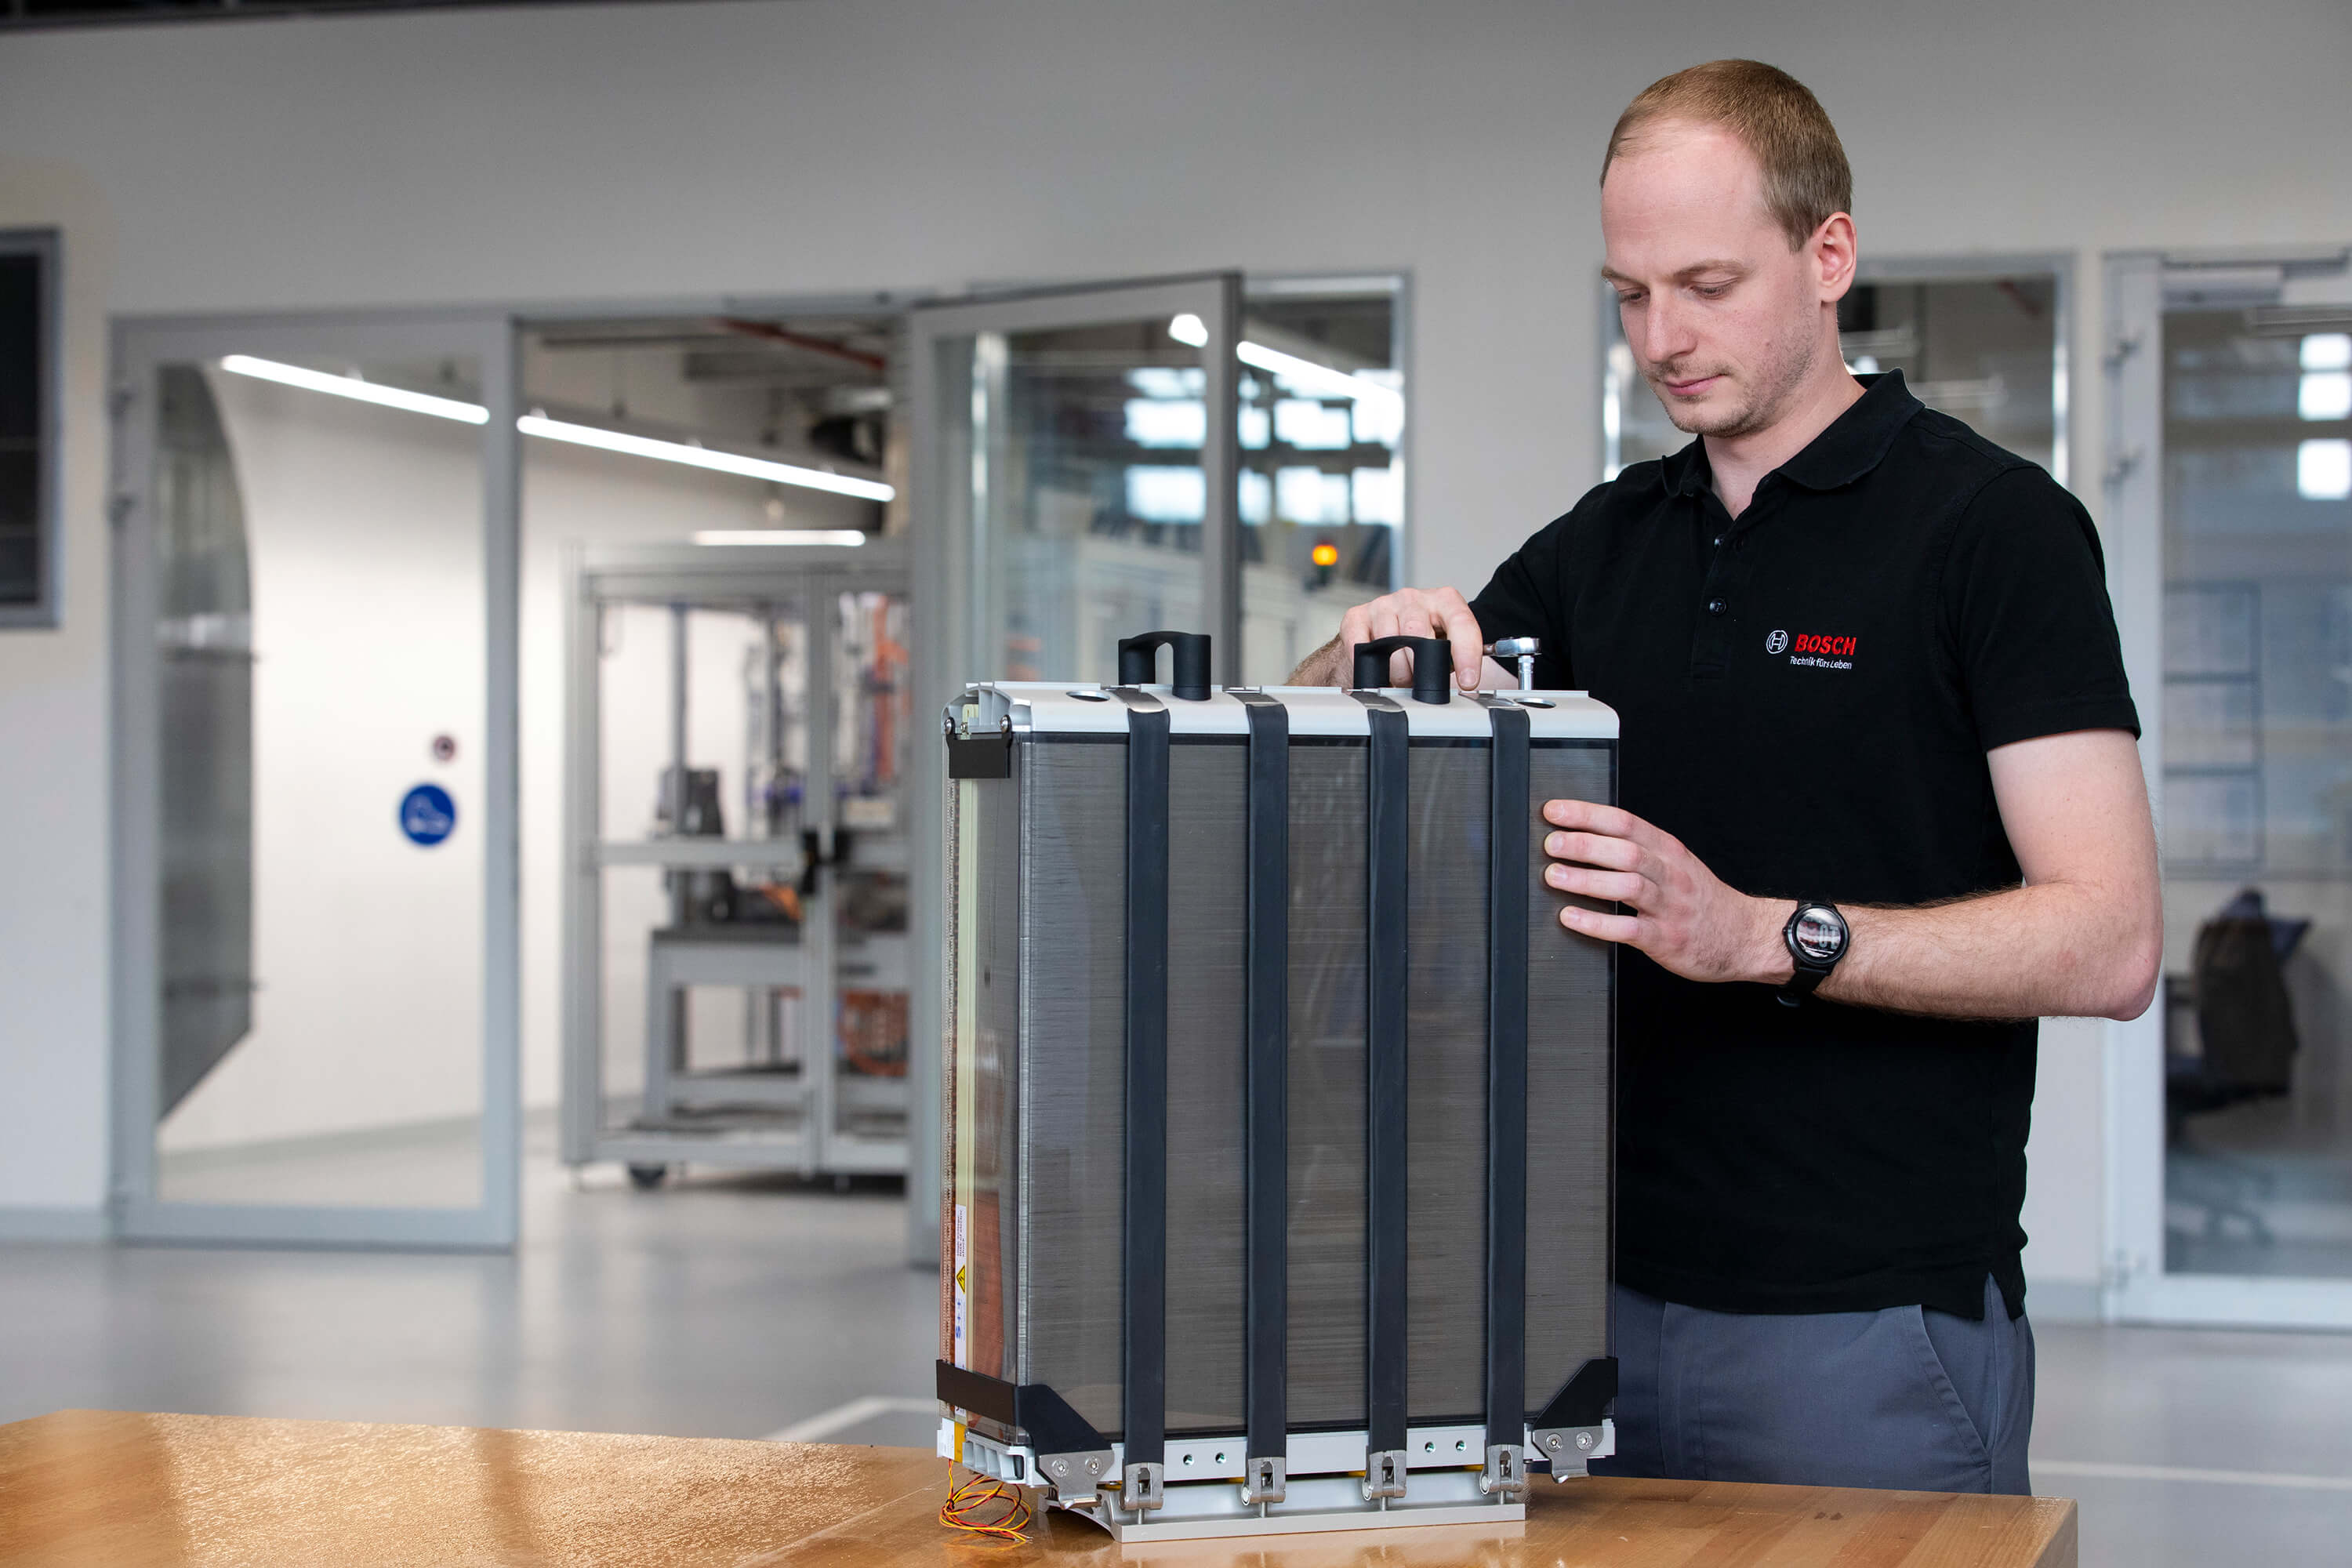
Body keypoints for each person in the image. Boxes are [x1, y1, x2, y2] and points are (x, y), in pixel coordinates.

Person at [1289, 60, 2160, 1496]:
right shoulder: (1608, 542)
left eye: (1705, 285)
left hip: (1867, 1330)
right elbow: (1324, 717)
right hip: (1579, 1308)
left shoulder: (1995, 530)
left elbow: (2113, 940)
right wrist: (1366, 648)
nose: (1662, 339)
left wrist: (1761, 934)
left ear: (1830, 255)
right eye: (1631, 294)